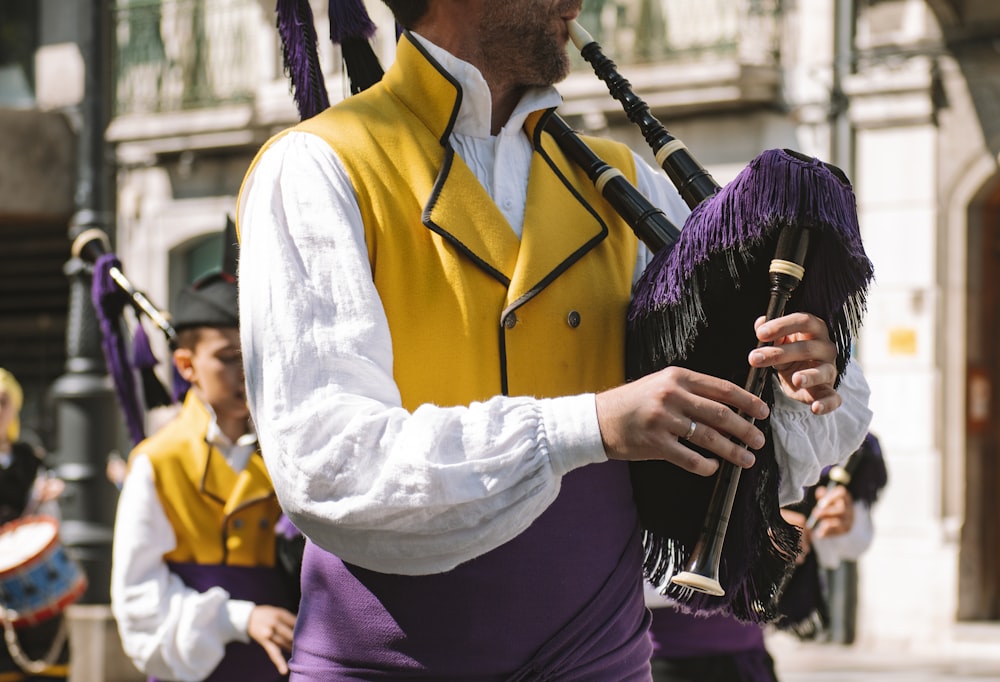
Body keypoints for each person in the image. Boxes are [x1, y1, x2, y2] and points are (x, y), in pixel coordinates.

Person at [236, 1, 873, 678]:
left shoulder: (622, 178)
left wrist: (790, 375)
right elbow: (325, 459)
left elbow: (775, 434)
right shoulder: (315, 168)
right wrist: (589, 425)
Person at [110, 272, 298, 682]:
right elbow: (139, 603)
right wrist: (239, 617)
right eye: (228, 358)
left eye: (255, 356)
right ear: (186, 364)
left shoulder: (289, 455)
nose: (246, 373)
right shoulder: (158, 462)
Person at [646, 432, 887, 682]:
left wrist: (843, 521)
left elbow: (854, 544)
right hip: (659, 663)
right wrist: (750, 540)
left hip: (750, 661)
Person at [0, 368, 69, 682]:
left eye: (3, 401)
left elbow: (47, 519)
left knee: (47, 659)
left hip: (31, 579)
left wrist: (44, 499)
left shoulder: (29, 457)